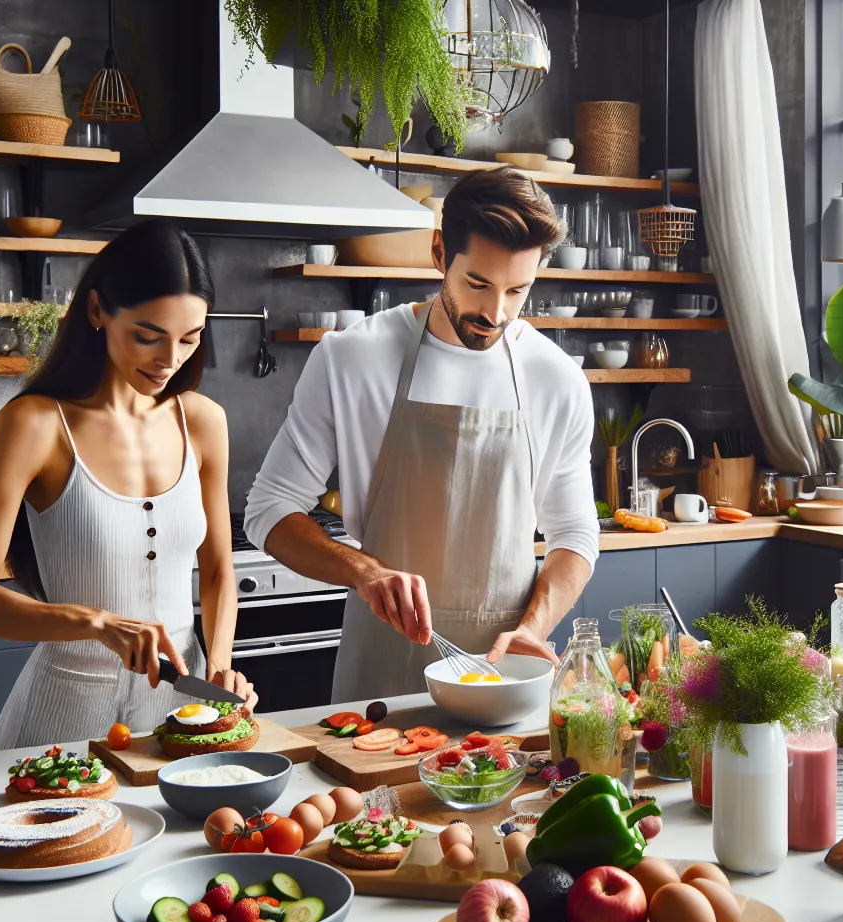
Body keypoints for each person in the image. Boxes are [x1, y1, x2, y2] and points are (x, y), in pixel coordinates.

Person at [246, 167, 596, 702]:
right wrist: (363, 571)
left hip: (503, 674)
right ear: (439, 253)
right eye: (477, 283)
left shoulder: (558, 380)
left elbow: (574, 535)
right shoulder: (351, 359)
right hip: (382, 669)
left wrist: (536, 626)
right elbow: (269, 508)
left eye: (517, 291)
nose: (494, 313)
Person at [0, 221, 254, 749]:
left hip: (183, 715)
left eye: (190, 339)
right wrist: (98, 623)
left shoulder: (202, 422)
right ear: (96, 312)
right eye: (148, 336)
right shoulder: (34, 426)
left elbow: (219, 569)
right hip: (61, 720)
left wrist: (220, 665)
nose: (170, 360)